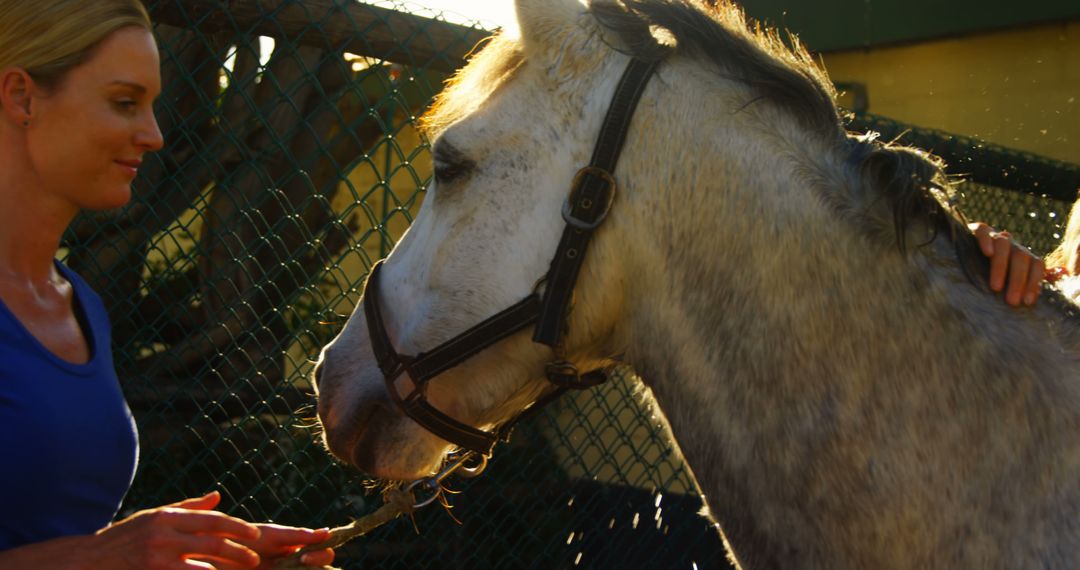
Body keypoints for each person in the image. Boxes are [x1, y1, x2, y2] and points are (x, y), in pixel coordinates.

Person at [0, 1, 334, 568]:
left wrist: (187, 552)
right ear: (22, 96)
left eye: (152, 107)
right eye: (125, 103)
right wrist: (101, 556)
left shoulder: (82, 307)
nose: (154, 135)